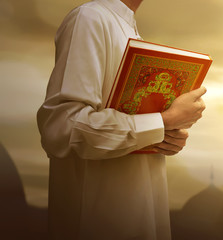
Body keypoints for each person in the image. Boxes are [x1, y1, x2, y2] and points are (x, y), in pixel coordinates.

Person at [36, 0, 207, 239]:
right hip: (98, 222)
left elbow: (138, 120)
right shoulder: (90, 18)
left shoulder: (130, 29)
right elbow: (63, 127)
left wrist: (166, 136)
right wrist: (163, 122)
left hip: (142, 214)